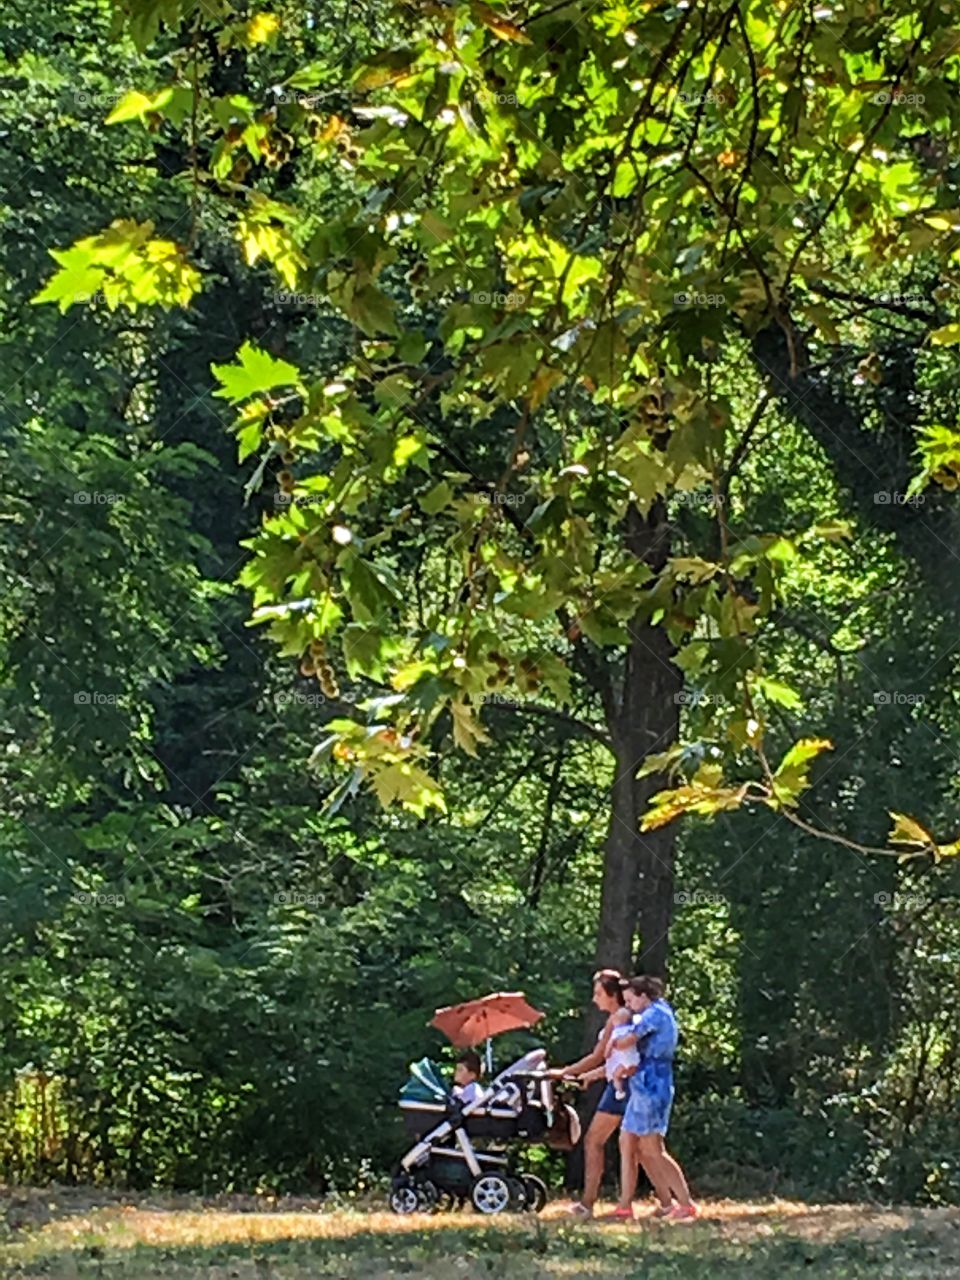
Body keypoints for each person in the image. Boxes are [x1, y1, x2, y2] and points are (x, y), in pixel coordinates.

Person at [610, 975, 697, 1223]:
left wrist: (615, 1035)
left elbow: (628, 1039)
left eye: (630, 1000)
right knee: (627, 1139)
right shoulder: (656, 1011)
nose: (628, 1006)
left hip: (652, 1087)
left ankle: (685, 1203)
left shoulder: (654, 1014)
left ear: (643, 996)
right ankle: (627, 1205)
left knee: (653, 1148)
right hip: (641, 1087)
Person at [549, 969, 630, 1219]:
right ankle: (667, 1202)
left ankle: (587, 1204)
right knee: (640, 1148)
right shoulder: (620, 1017)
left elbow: (597, 1055)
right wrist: (590, 1076)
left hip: (621, 1088)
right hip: (618, 1084)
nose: (594, 999)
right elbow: (613, 1061)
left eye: (598, 993)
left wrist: (564, 1072)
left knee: (594, 1141)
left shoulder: (617, 1019)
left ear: (612, 995)